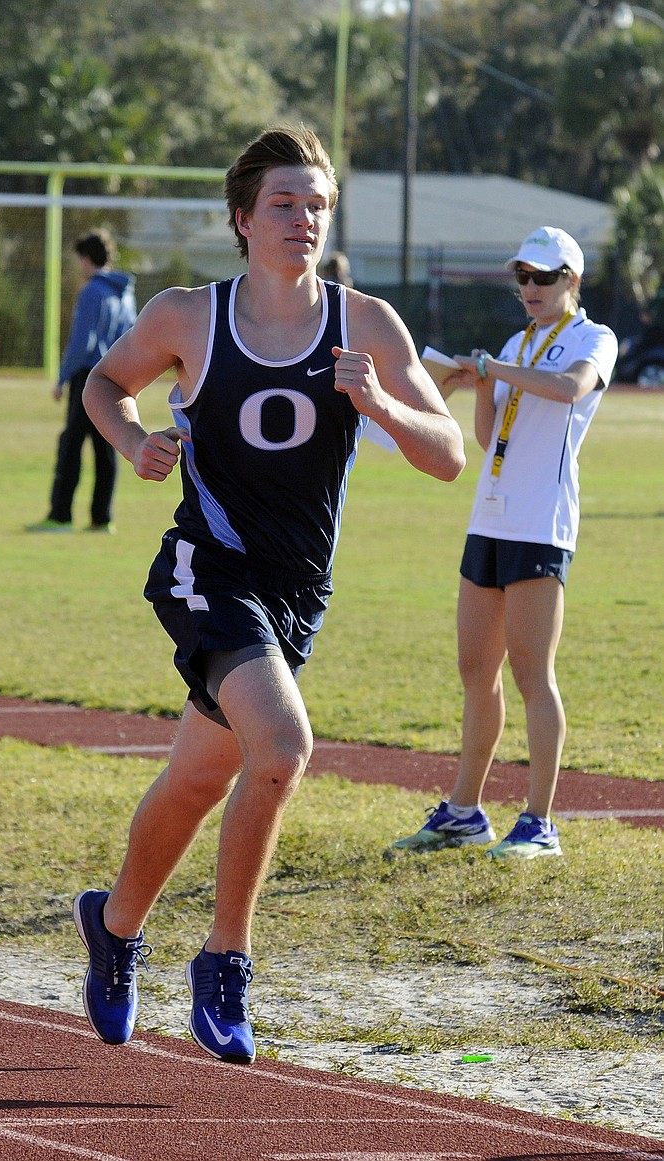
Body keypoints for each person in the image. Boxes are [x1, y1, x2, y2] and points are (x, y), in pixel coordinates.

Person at [71, 125, 465, 1065]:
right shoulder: (187, 315)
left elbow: (448, 455)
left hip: (297, 593)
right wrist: (135, 445)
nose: (304, 219)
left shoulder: (364, 323)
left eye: (318, 205)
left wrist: (380, 406)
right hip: (209, 567)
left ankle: (114, 926)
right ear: (244, 219)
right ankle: (226, 961)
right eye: (284, 204)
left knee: (205, 774)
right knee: (283, 748)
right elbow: (104, 383)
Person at [394, 226, 618, 861]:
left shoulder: (591, 338)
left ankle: (539, 822)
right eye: (522, 275)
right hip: (489, 518)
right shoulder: (518, 342)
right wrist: (479, 385)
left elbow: (573, 387)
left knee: (531, 675)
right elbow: (491, 434)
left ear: (571, 281)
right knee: (474, 671)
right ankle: (465, 812)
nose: (530, 288)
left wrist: (498, 369)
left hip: (540, 525)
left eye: (543, 277)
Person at [27, 228, 137, 533]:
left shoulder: (92, 291)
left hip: (90, 377)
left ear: (87, 259)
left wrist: (62, 378)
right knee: (106, 448)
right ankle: (102, 518)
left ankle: (60, 516)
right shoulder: (125, 292)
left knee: (71, 443)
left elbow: (82, 342)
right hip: (118, 376)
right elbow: (132, 339)